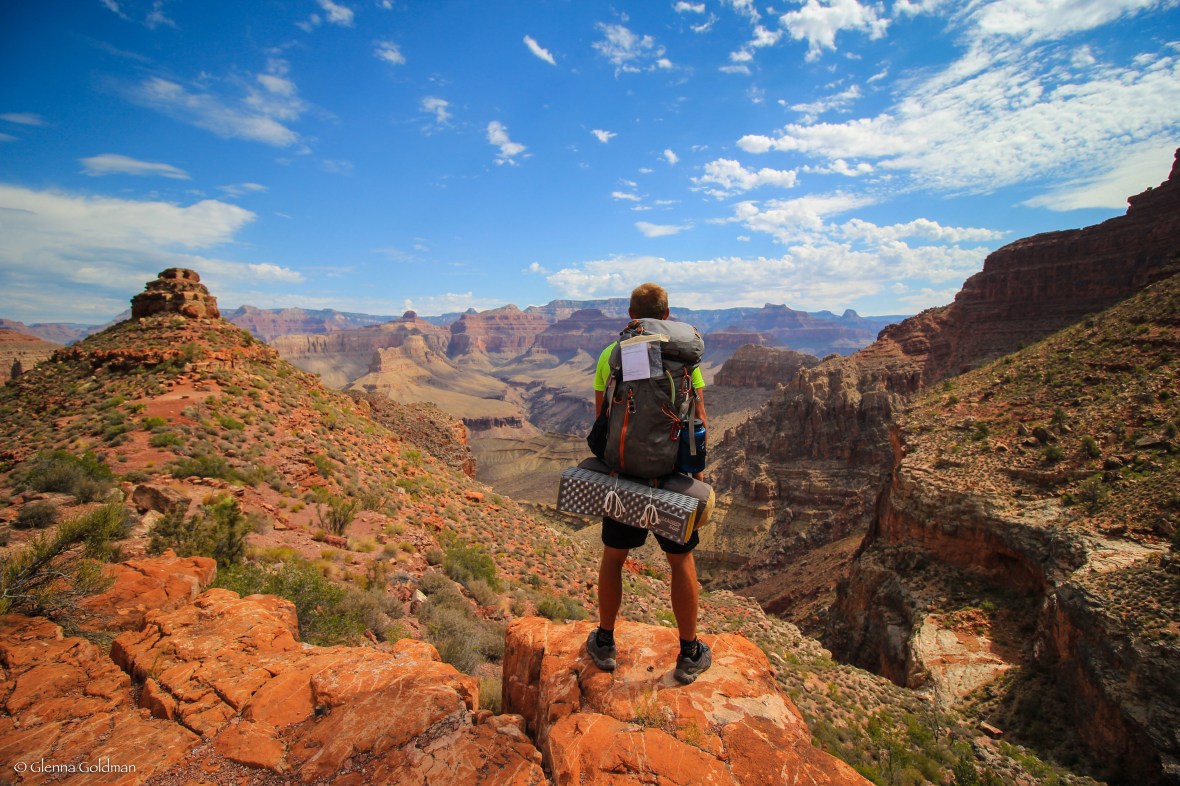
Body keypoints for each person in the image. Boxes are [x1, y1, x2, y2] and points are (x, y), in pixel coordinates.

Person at [585, 282, 712, 685]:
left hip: (626, 472)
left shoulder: (613, 353)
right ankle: (689, 652)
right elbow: (699, 417)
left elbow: (602, 417)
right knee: (681, 561)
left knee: (613, 557)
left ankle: (605, 642)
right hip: (673, 474)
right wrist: (696, 475)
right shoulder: (684, 357)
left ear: (631, 315)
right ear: (667, 315)